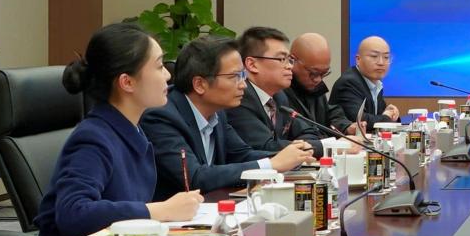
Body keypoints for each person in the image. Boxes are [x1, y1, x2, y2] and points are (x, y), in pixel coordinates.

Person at [25, 24, 202, 236]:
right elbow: (73, 213)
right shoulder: (93, 138)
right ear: (127, 82)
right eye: (159, 66)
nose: (168, 75)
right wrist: (160, 210)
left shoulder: (132, 129)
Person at [142, 36, 313, 198]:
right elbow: (195, 177)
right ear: (200, 84)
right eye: (234, 77)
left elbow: (242, 155)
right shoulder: (161, 117)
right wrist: (272, 164)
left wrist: (292, 156)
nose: (243, 85)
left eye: (243, 75)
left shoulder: (217, 112)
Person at [226, 26, 321, 153]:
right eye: (281, 59)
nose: (290, 66)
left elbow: (308, 131)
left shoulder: (279, 97)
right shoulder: (240, 97)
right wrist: (316, 147)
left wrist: (303, 146)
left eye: (290, 60)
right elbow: (265, 147)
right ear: (252, 64)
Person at [288, 32, 359, 135]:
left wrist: (346, 127)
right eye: (313, 73)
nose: (318, 79)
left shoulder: (315, 85)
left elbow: (329, 113)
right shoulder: (279, 88)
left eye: (324, 73)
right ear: (292, 60)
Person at [329, 35, 400, 125]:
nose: (381, 62)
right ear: (358, 59)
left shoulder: (376, 83)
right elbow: (359, 120)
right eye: (374, 56)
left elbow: (379, 116)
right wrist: (386, 117)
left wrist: (391, 114)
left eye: (386, 57)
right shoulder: (349, 82)